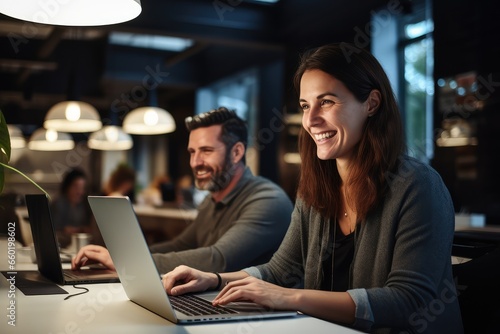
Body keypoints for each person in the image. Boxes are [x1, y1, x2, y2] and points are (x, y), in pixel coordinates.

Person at [161, 43, 463, 333]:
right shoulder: (316, 187)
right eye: (306, 105)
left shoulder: (417, 185)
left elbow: (407, 302)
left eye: (327, 102)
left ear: (371, 103)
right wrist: (213, 279)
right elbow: (280, 270)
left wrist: (289, 298)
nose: (311, 119)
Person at [72, 107, 293, 274]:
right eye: (192, 152)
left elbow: (219, 259)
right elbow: (180, 245)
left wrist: (128, 262)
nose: (195, 162)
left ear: (236, 152)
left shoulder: (267, 200)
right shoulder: (211, 201)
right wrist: (123, 255)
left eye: (206, 151)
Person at [50, 168, 92, 248]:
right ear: (67, 187)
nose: (80, 192)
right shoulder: (58, 204)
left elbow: (88, 228)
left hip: (79, 246)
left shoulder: (84, 205)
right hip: (60, 246)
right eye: (76, 187)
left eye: (82, 188)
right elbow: (54, 230)